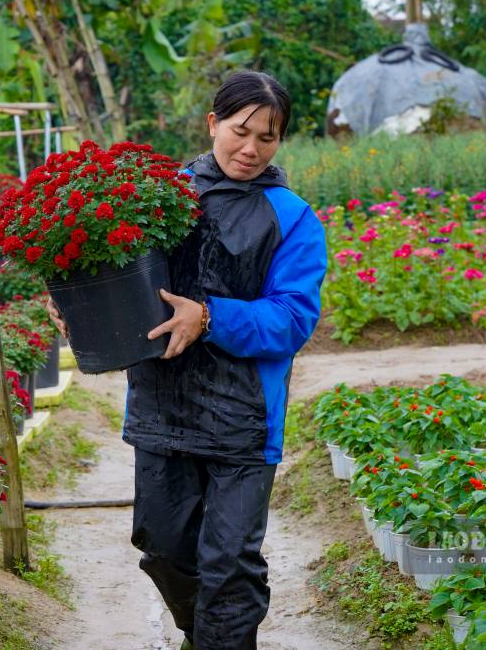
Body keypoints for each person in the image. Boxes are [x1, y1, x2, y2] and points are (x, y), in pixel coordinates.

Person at [47, 70, 327, 650]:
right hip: (162, 406)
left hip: (244, 417)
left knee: (228, 564)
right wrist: (79, 306)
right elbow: (114, 277)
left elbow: (293, 319)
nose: (250, 149)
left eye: (268, 138)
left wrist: (210, 317)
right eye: (240, 130)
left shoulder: (292, 218)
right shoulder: (158, 196)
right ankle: (206, 635)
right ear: (213, 123)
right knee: (165, 549)